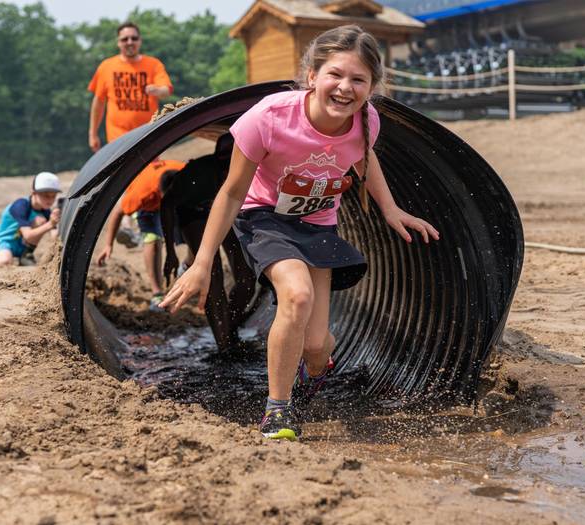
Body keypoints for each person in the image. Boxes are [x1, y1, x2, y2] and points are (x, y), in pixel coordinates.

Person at [160, 25, 440, 441]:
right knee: (297, 294)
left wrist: (391, 208)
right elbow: (232, 191)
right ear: (312, 75)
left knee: (316, 345)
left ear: (372, 87)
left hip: (317, 224)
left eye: (358, 80)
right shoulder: (268, 119)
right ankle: (277, 410)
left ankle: (315, 370)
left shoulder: (366, 120)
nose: (345, 88)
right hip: (265, 217)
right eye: (335, 75)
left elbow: (364, 159)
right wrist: (201, 263)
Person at [160, 134, 256, 352]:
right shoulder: (197, 173)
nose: (228, 168)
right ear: (216, 160)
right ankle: (223, 343)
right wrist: (170, 252)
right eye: (224, 163)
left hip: (227, 212)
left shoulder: (249, 168)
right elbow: (167, 204)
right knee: (212, 278)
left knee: (246, 277)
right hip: (194, 214)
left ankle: (230, 325)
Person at [96, 158, 186, 311]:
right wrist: (108, 245)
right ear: (160, 193)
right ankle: (157, 292)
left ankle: (186, 266)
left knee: (193, 227)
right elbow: (117, 213)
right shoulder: (141, 194)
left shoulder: (184, 171)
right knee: (153, 240)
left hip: (179, 198)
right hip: (149, 208)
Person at [87, 22, 173, 152]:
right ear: (118, 42)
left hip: (148, 136)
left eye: (134, 38)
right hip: (118, 138)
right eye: (124, 39)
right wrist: (92, 134)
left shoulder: (153, 65)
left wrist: (157, 90)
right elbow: (98, 102)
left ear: (140, 41)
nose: (129, 42)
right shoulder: (106, 66)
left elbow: (167, 90)